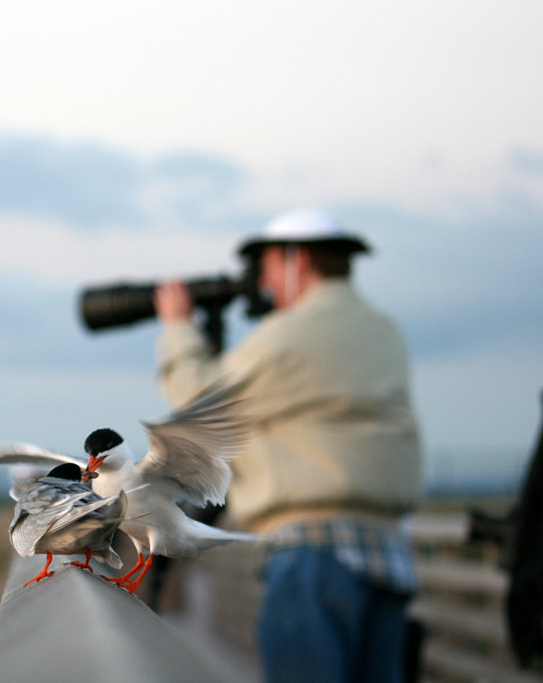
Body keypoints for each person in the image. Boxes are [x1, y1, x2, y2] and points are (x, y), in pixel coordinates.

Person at [153, 208, 422, 683]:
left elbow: (199, 401)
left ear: (298, 260)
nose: (264, 284)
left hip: (315, 559)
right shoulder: (384, 332)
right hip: (386, 555)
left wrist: (178, 326)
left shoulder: (290, 335)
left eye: (269, 268)